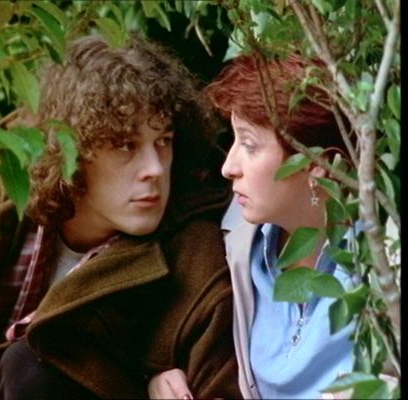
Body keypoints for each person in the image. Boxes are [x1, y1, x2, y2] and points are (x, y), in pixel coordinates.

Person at [0, 35, 242, 400]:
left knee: (32, 365)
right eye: (126, 145)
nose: (154, 168)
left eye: (163, 140)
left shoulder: (194, 259)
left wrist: (143, 384)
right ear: (70, 149)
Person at [148, 53, 364, 399]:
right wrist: (160, 378)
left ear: (317, 163)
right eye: (234, 141)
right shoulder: (232, 238)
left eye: (249, 145)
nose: (228, 167)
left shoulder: (382, 263)